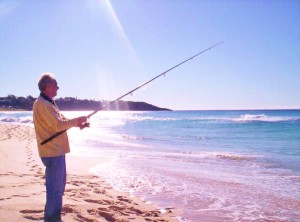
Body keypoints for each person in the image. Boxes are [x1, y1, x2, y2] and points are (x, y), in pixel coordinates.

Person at [33, 73, 87, 222]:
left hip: (55, 150)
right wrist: (76, 120)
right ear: (48, 86)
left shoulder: (48, 102)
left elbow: (61, 121)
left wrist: (78, 124)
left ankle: (52, 218)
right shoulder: (43, 104)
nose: (58, 87)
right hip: (52, 152)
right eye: (56, 84)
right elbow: (58, 126)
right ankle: (52, 219)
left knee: (57, 188)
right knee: (55, 190)